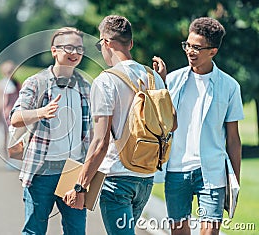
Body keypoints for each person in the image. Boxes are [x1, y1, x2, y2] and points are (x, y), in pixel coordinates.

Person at [63, 15, 168, 235]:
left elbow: (101, 142)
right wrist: (161, 81)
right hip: (146, 177)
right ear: (130, 43)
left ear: (106, 42)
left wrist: (80, 186)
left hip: (117, 178)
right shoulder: (155, 77)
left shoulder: (106, 81)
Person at [159, 17, 244, 235]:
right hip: (176, 169)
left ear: (212, 51)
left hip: (212, 171)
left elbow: (233, 139)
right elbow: (161, 121)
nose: (189, 51)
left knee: (209, 233)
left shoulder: (229, 86)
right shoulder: (172, 79)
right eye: (187, 45)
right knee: (178, 232)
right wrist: (160, 86)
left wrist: (234, 180)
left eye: (197, 47)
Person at [10, 27, 92, 235]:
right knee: (34, 231)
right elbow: (16, 118)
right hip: (42, 172)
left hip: (74, 172)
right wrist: (41, 112)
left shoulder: (86, 86)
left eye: (79, 49)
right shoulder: (36, 82)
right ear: (54, 50)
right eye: (69, 47)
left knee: (76, 232)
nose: (74, 53)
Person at [0, 60, 21, 159]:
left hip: (15, 113)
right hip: (5, 114)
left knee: (15, 137)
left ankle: (15, 157)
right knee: (6, 136)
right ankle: (6, 157)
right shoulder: (1, 84)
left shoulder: (16, 84)